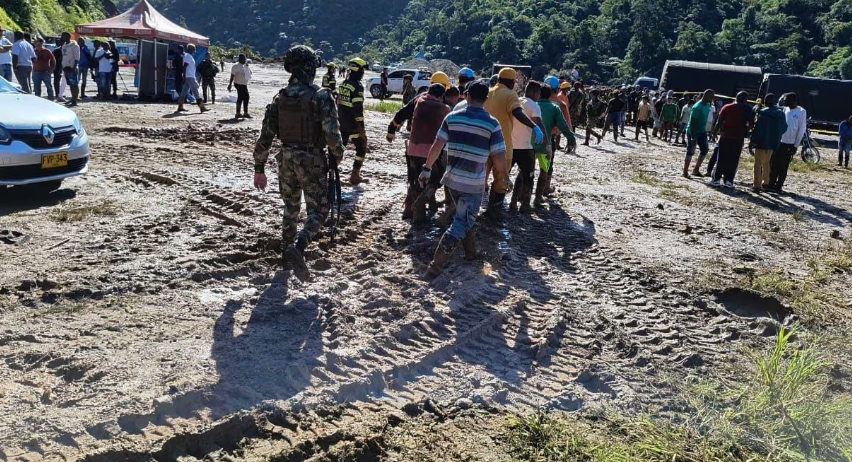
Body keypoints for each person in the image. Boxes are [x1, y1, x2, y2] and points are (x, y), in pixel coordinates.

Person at [252, 45, 344, 282]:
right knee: (320, 209)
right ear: (309, 67)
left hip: (285, 159)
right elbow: (333, 135)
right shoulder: (321, 95)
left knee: (290, 208)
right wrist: (338, 155)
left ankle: (286, 255)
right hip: (311, 159)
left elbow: (265, 138)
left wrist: (259, 169)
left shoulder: (280, 97)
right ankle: (299, 247)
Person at [420, 80, 509, 277]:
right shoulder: (492, 124)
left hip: (452, 181)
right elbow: (499, 157)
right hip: (473, 184)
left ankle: (470, 253)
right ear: (485, 100)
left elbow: (437, 145)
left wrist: (426, 168)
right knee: (461, 222)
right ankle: (435, 266)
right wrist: (504, 177)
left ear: (467, 96)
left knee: (464, 215)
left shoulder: (452, 117)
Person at [483, 67, 544, 219]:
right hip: (502, 146)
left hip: (483, 144)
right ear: (510, 82)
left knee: (481, 177)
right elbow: (517, 112)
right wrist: (534, 126)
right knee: (501, 179)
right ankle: (494, 211)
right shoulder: (511, 94)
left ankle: (477, 209)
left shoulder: (488, 92)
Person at [387, 83, 450, 221]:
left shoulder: (417, 100)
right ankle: (419, 209)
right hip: (432, 152)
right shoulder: (445, 108)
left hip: (413, 150)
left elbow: (401, 114)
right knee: (436, 179)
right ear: (441, 96)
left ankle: (410, 209)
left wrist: (391, 130)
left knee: (415, 179)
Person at [510, 80, 548, 213]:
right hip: (525, 147)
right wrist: (546, 144)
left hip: (510, 146)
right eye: (538, 93)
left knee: (506, 175)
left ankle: (512, 202)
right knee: (528, 177)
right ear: (533, 92)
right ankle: (525, 204)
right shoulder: (534, 106)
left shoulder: (517, 101)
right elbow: (539, 124)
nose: (539, 96)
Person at [536, 85, 576, 206]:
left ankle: (520, 197)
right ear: (550, 94)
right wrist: (571, 139)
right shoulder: (554, 107)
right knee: (545, 169)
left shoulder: (531, 105)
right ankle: (539, 196)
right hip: (546, 143)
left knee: (525, 170)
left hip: (528, 143)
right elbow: (563, 126)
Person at [709, 91, 752, 188]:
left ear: (736, 97)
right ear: (745, 100)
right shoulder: (748, 110)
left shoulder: (727, 107)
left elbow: (719, 121)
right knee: (733, 159)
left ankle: (716, 179)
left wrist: (714, 132)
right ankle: (729, 181)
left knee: (721, 158)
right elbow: (750, 124)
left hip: (725, 137)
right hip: (738, 138)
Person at [337, 57, 369, 185]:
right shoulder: (357, 86)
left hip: (341, 123)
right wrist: (361, 127)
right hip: (353, 124)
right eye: (362, 70)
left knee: (339, 150)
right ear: (359, 71)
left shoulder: (344, 84)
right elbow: (357, 108)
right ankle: (355, 175)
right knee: (361, 147)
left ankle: (329, 175)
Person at [768, 93, 807, 193]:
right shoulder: (785, 109)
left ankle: (779, 185)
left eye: (786, 100)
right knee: (773, 164)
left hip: (790, 144)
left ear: (793, 100)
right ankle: (771, 183)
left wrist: (796, 145)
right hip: (779, 142)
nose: (784, 102)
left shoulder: (801, 111)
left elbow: (801, 129)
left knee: (783, 166)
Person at [749, 93, 787, 192]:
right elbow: (784, 128)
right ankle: (766, 182)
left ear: (765, 102)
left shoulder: (762, 113)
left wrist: (753, 141)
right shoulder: (781, 114)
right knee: (766, 163)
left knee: (757, 164)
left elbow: (759, 129)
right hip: (773, 143)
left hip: (762, 142)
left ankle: (756, 185)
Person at [683, 89, 715, 178]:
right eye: (711, 97)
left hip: (702, 131)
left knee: (705, 149)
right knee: (690, 151)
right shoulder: (697, 107)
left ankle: (696, 169)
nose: (712, 99)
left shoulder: (708, 105)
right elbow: (692, 122)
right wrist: (693, 137)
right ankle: (685, 172)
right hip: (693, 131)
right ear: (706, 96)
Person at [176, 44, 207, 113]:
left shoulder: (187, 56)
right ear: (191, 49)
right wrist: (184, 76)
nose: (195, 50)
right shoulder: (188, 57)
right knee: (195, 90)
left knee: (184, 92)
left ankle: (180, 107)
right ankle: (202, 107)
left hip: (188, 76)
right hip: (190, 76)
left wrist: (184, 76)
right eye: (194, 49)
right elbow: (184, 67)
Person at [228, 54, 252, 118]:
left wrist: (247, 67)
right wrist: (230, 84)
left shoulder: (245, 66)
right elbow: (232, 76)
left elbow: (249, 74)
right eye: (243, 59)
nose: (244, 60)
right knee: (245, 97)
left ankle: (242, 113)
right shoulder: (236, 66)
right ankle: (241, 113)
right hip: (238, 84)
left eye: (245, 59)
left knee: (243, 98)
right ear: (239, 59)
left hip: (244, 84)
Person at [59, 32, 80, 107]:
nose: (62, 37)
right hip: (66, 67)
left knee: (74, 84)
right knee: (71, 85)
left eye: (63, 36)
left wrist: (74, 66)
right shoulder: (64, 45)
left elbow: (77, 57)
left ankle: (75, 100)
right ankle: (72, 99)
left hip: (72, 67)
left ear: (68, 37)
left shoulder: (74, 45)